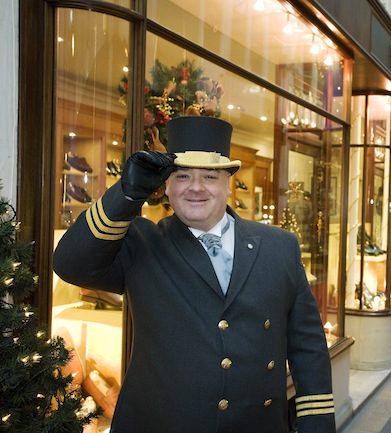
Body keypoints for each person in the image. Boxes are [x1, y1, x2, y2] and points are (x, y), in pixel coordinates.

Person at [53, 116, 335, 433]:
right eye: (183, 176)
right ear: (166, 186)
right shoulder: (141, 243)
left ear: (228, 183)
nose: (196, 187)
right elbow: (70, 264)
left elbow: (308, 348)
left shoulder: (279, 247)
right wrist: (126, 194)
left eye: (210, 176)